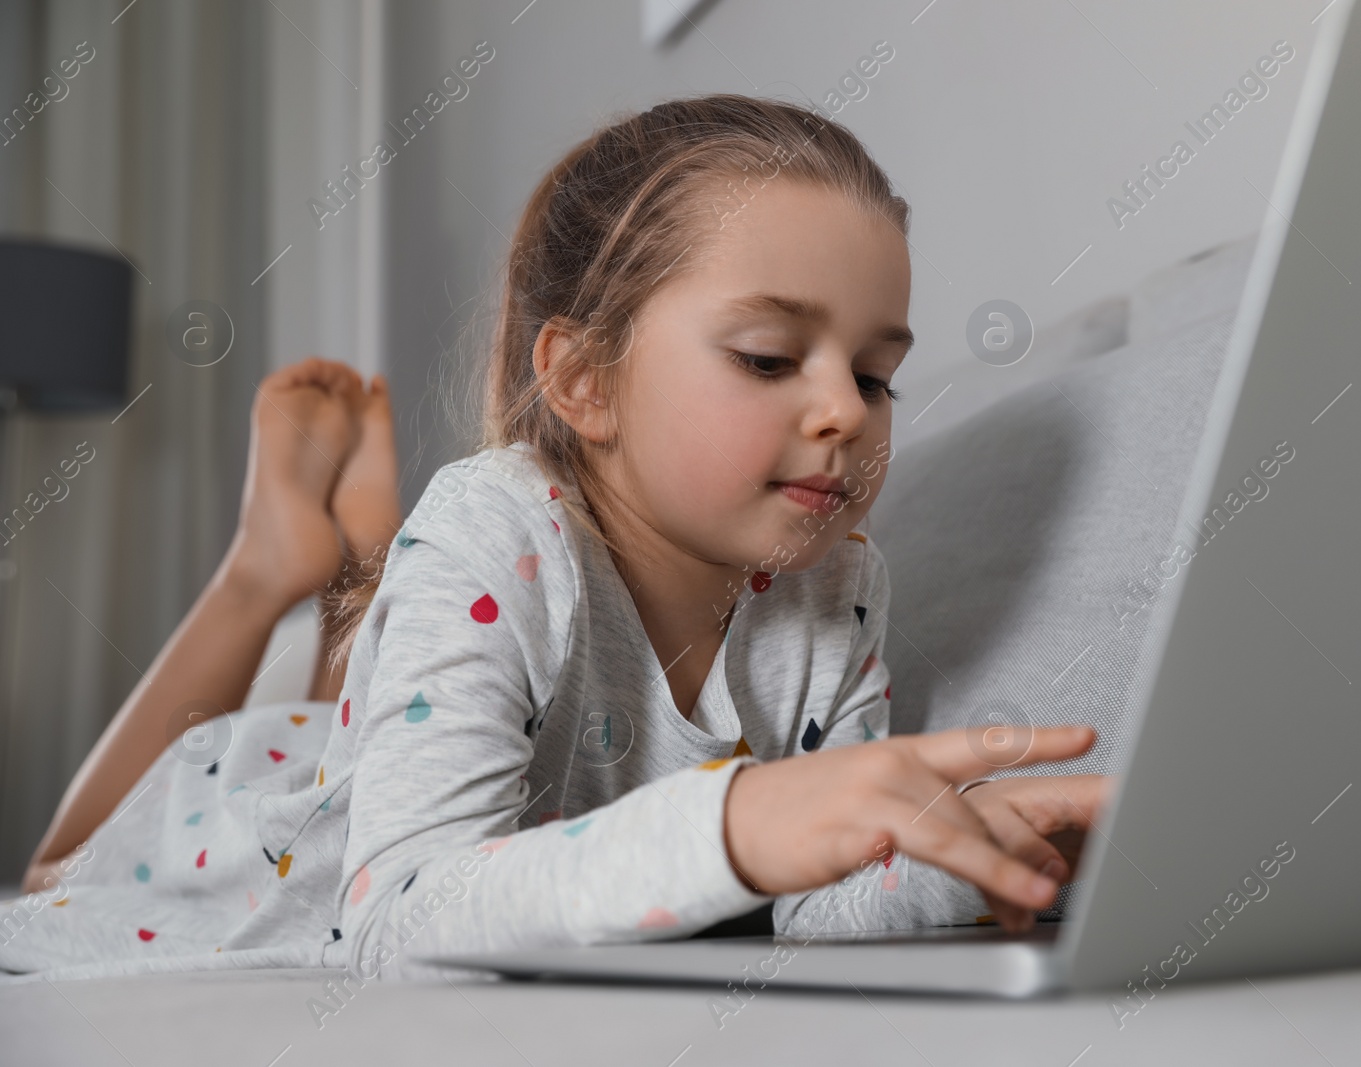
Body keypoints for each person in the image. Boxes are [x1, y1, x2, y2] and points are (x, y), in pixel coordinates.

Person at [4, 95, 1106, 980]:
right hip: (264, 844)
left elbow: (815, 904)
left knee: (371, 702)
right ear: (583, 381)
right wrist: (734, 820)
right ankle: (272, 568)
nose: (847, 412)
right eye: (770, 356)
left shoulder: (842, 586)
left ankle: (359, 582)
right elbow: (396, 922)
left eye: (875, 375)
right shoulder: (495, 520)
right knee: (54, 876)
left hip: (399, 726)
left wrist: (978, 857)